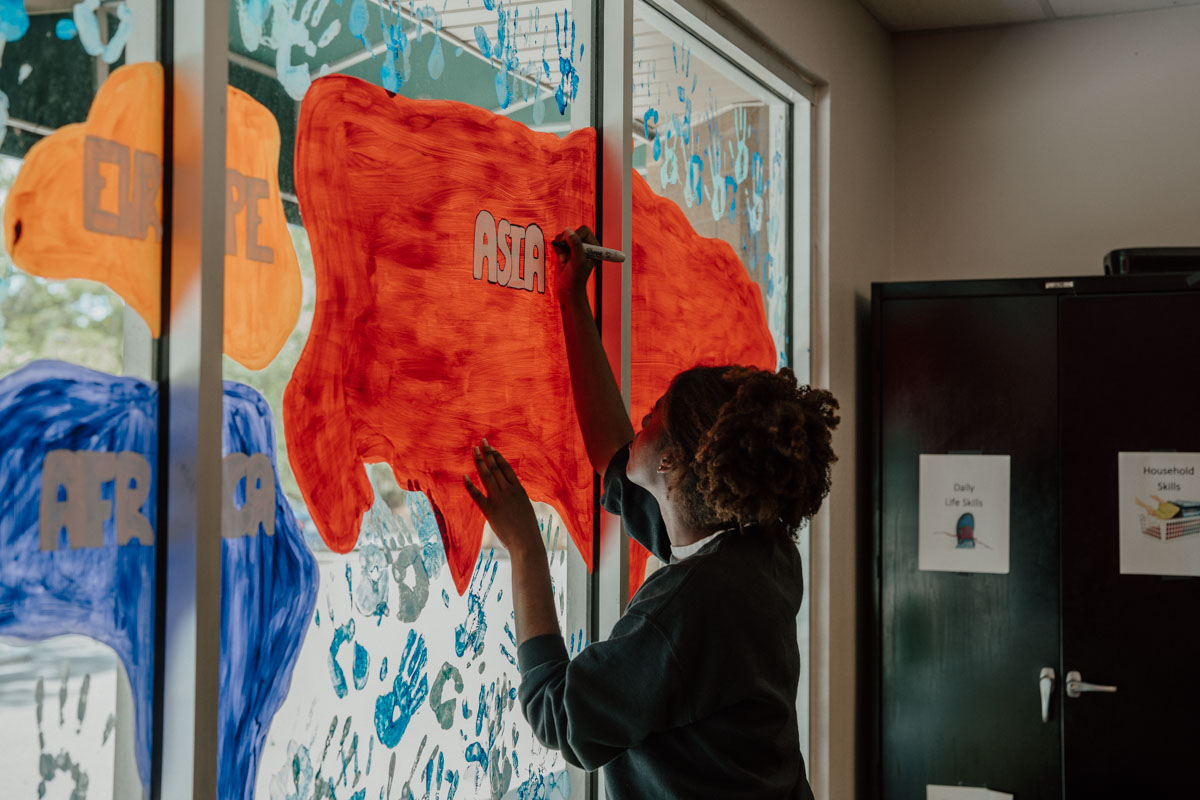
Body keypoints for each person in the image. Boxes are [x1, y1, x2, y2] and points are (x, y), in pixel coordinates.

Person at [463, 226, 837, 799]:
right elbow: (612, 456)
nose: (643, 416)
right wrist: (570, 300)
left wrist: (525, 548)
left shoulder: (689, 608)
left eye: (656, 414)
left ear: (673, 463)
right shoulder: (757, 550)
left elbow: (557, 715)